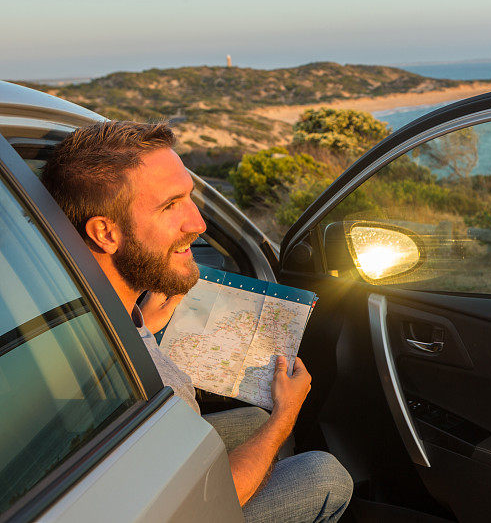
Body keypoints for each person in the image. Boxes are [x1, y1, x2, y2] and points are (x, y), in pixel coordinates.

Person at [41, 120, 353, 522]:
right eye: (170, 205)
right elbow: (206, 503)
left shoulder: (72, 301)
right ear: (104, 232)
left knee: (252, 421)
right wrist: (285, 417)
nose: (198, 224)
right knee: (325, 474)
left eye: (189, 197)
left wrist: (145, 329)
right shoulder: (162, 387)